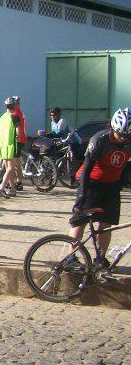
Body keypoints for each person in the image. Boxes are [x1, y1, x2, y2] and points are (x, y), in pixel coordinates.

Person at [67, 108, 131, 268]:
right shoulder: (100, 140)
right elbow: (86, 168)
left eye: (127, 136)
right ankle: (70, 257)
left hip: (112, 184)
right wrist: (82, 196)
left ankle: (100, 258)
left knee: (106, 223)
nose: (123, 138)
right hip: (91, 182)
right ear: (114, 128)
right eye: (120, 134)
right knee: (80, 221)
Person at [0, 97, 20, 198]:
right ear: (14, 106)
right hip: (10, 145)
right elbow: (18, 132)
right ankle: (1, 188)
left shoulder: (1, 116)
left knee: (8, 168)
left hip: (1, 145)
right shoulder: (14, 117)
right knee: (11, 168)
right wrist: (18, 137)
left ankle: (12, 189)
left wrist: (0, 136)